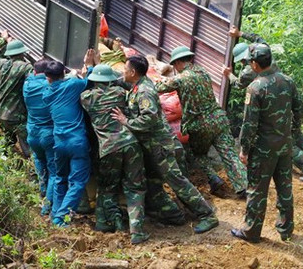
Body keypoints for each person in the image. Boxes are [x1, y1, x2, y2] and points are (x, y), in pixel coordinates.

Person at [111, 55, 219, 234]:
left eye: (125, 70)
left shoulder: (144, 91)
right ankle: (171, 215)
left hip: (159, 146)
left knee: (177, 181)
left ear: (132, 72)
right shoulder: (138, 84)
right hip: (152, 146)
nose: (123, 73)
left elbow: (149, 119)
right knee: (153, 183)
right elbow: (124, 83)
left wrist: (126, 121)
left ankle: (207, 215)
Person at [225, 27, 303, 182]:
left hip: (269, 103)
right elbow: (259, 38)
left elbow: (238, 84)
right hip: (284, 94)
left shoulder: (249, 72)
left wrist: (228, 74)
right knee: (293, 132)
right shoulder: (267, 56)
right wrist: (240, 34)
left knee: (281, 141)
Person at [231, 44, 301, 243]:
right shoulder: (288, 81)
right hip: (285, 145)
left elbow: (249, 124)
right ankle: (286, 229)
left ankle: (251, 231)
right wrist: (292, 134)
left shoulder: (255, 88)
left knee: (256, 189)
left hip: (263, 149)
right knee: (285, 187)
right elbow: (299, 110)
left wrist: (244, 150)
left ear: (254, 64)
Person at [158, 46, 247, 197]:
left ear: (178, 62)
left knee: (197, 154)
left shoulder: (180, 78)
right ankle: (244, 186)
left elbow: (158, 88)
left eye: (174, 65)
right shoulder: (202, 71)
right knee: (229, 154)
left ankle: (213, 178)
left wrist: (160, 77)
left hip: (200, 124)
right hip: (219, 119)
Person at [80, 64, 149, 245]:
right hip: (131, 143)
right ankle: (137, 231)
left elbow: (84, 85)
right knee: (135, 188)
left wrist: (87, 71)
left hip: (109, 148)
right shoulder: (119, 93)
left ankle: (112, 221)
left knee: (107, 188)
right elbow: (125, 84)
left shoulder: (87, 97)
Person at [42, 50, 95, 227]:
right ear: (63, 73)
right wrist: (90, 64)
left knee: (60, 178)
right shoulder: (72, 85)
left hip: (59, 142)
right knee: (78, 182)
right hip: (77, 142)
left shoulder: (47, 95)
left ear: (47, 77)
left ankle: (55, 213)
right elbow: (90, 81)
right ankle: (61, 219)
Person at [23, 59, 56, 216]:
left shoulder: (27, 85)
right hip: (48, 134)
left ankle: (42, 188)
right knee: (54, 171)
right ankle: (47, 208)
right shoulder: (49, 86)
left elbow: (30, 75)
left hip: (32, 133)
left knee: (38, 158)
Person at [0, 39, 34, 157]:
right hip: (15, 115)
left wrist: (5, 43)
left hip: (0, 112)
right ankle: (33, 170)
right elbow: (35, 79)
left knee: (8, 137)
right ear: (23, 53)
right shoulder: (25, 67)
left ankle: (1, 159)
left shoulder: (3, 64)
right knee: (28, 143)